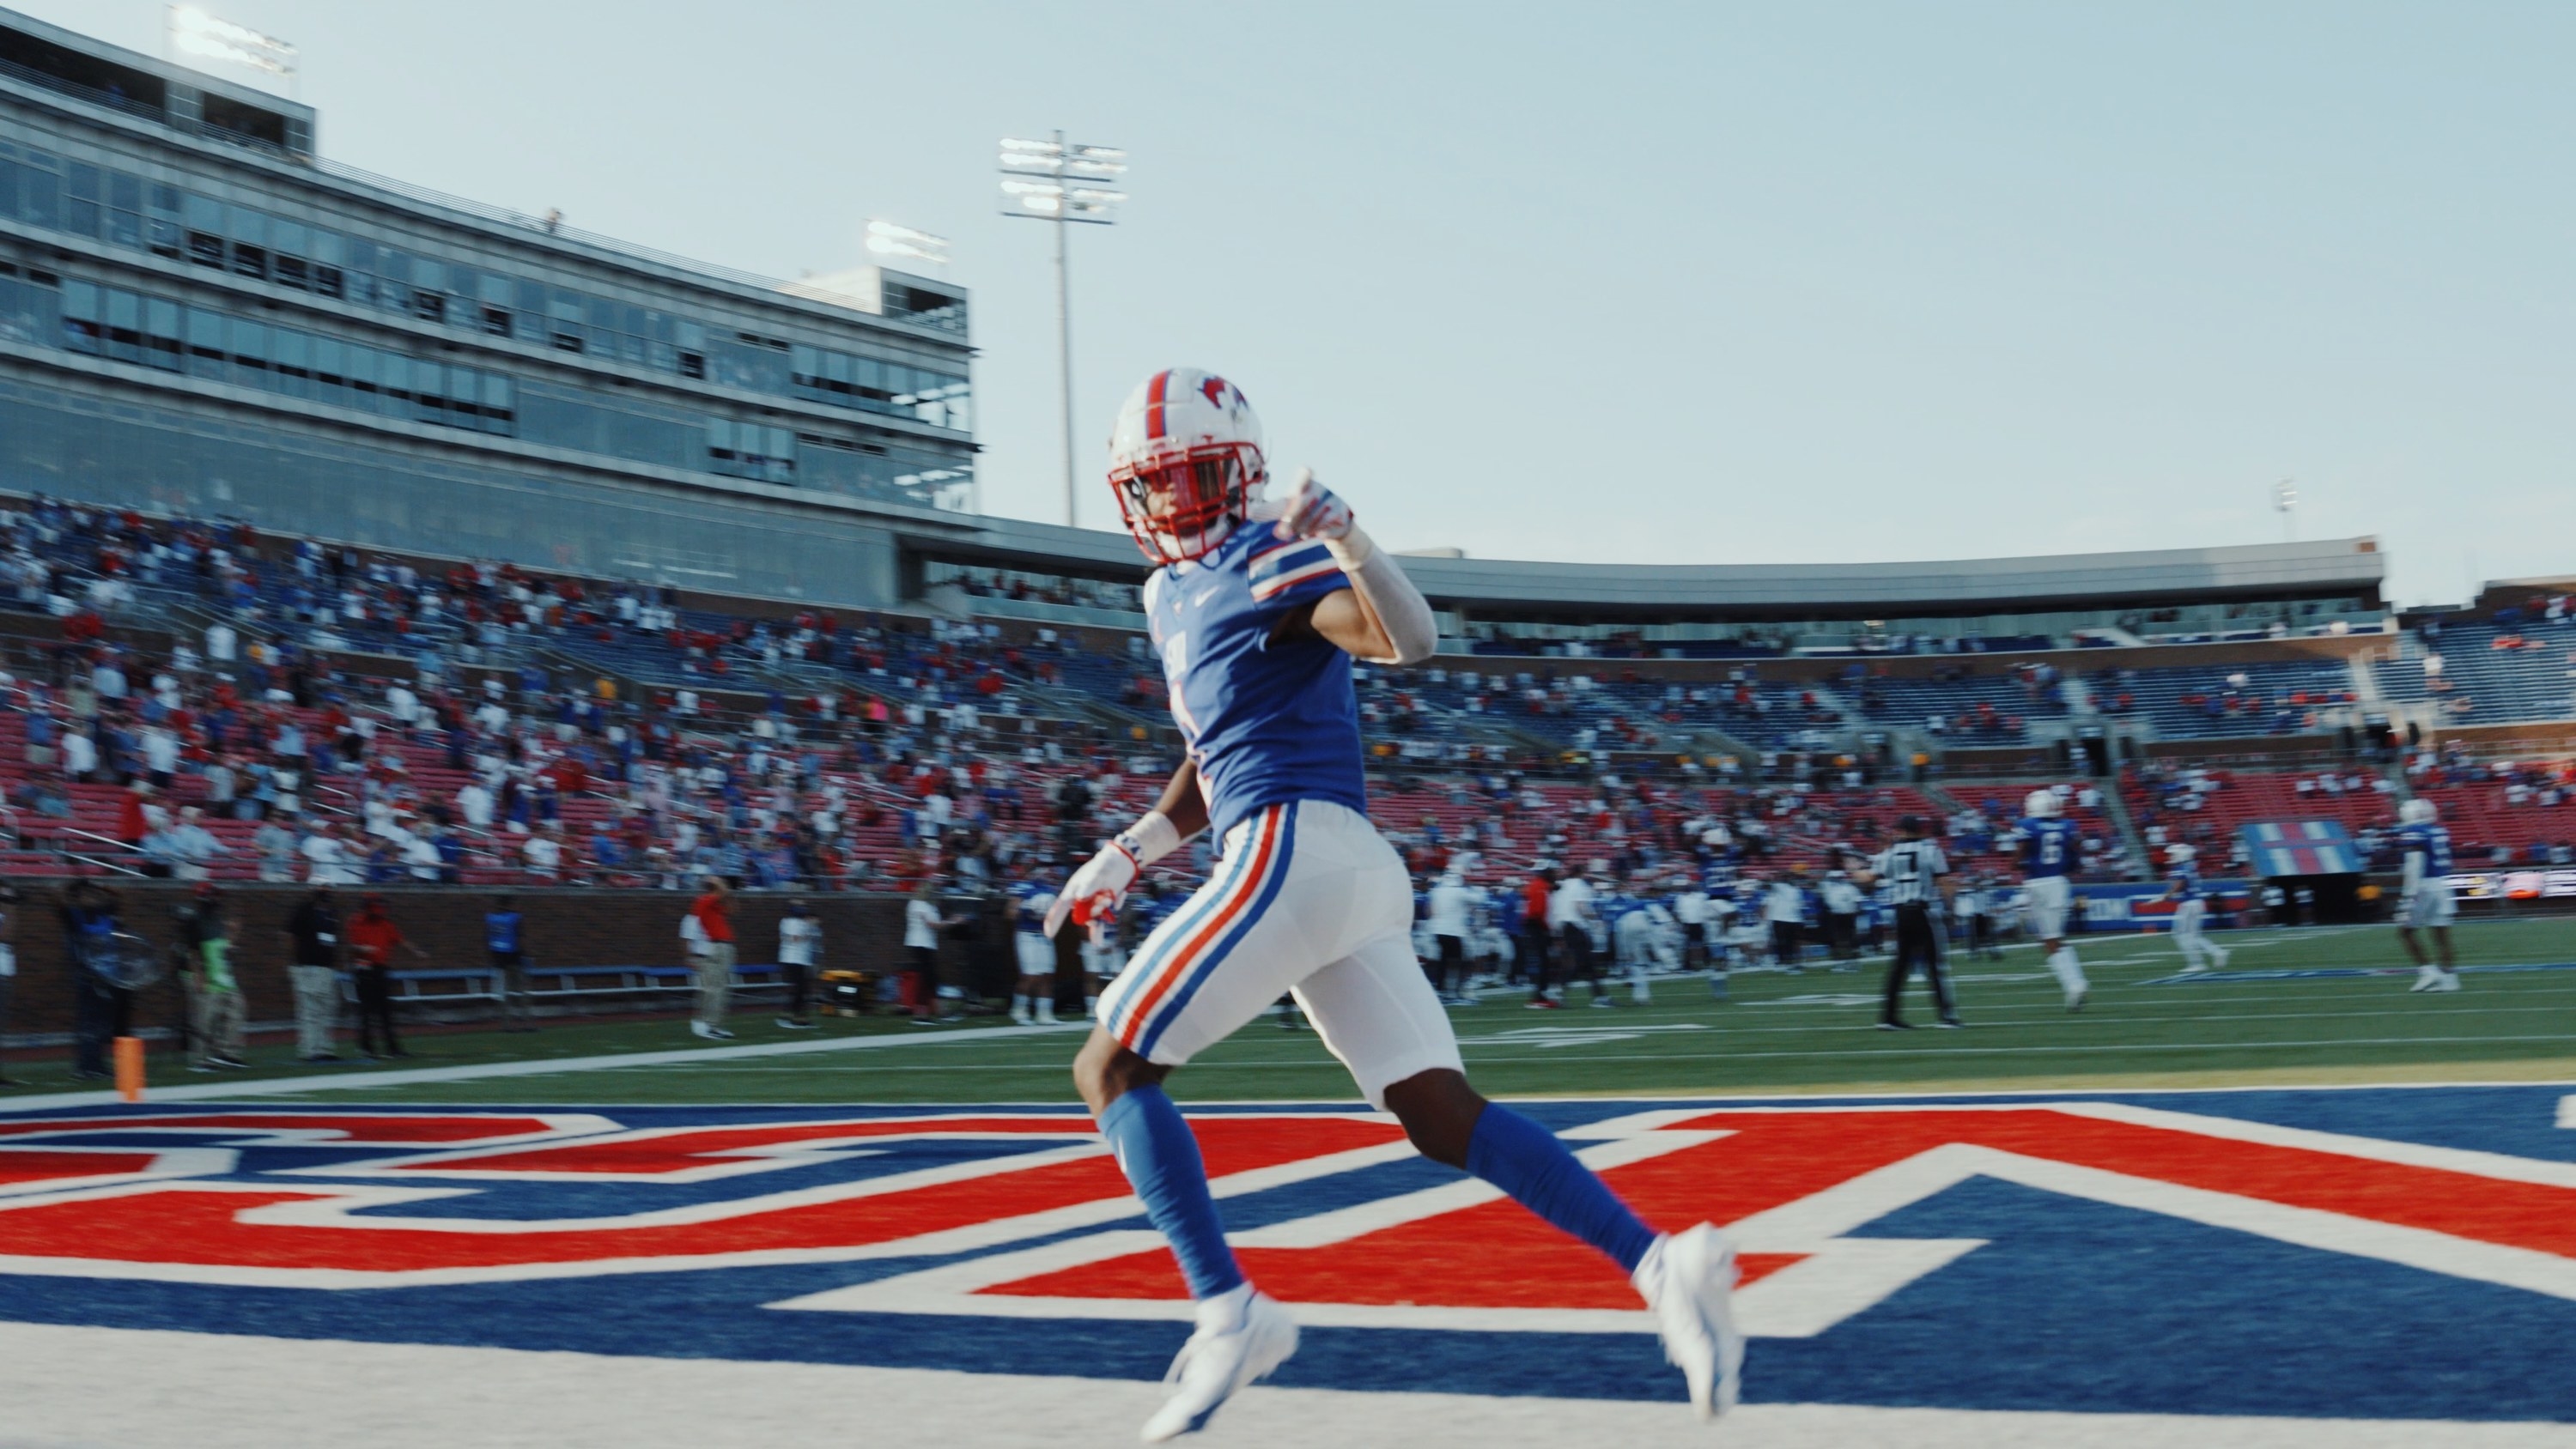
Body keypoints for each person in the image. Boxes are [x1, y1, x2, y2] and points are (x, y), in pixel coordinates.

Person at [1042, 369, 1737, 1440]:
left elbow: (1407, 640)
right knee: (1436, 1112)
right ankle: (1661, 1267)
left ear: (1239, 472)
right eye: (1154, 485)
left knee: (1111, 1064)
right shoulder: (1166, 591)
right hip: (1336, 866)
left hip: (1298, 848)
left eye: (1191, 478)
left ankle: (1231, 1312)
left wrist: (1356, 538)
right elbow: (1209, 746)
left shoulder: (1273, 549)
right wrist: (1130, 850)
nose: (1173, 505)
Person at [1863, 815, 1959, 1029]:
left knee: (1899, 966)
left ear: (1901, 830)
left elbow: (1871, 878)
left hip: (1901, 913)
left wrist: (1853, 870)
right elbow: (1944, 882)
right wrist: (1952, 909)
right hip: (1923, 911)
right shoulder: (1930, 848)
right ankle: (1947, 1017)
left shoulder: (1891, 852)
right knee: (1936, 964)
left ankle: (1888, 1017)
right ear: (1918, 829)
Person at [2017, 789, 2090, 1011]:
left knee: (2048, 940)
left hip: (2038, 884)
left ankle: (2074, 984)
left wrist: (2017, 863)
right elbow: (2077, 850)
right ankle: (2075, 982)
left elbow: (2020, 851)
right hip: (2059, 882)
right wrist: (2073, 863)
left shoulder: (2028, 825)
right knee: (2056, 938)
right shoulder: (2067, 825)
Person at [346, 894, 428, 1059]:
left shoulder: (385, 924)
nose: (379, 911)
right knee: (367, 1011)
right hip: (364, 969)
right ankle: (366, 1048)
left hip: (381, 969)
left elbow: (400, 940)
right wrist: (363, 949)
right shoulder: (356, 922)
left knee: (386, 1011)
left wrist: (416, 951)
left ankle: (393, 1048)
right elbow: (352, 946)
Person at [2393, 797, 2461, 992]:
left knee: (2404, 931)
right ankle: (2450, 980)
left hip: (2424, 885)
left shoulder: (2414, 832)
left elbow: (2415, 864)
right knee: (2441, 935)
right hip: (2443, 884)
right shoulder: (2439, 830)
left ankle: (2427, 971)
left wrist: (2409, 894)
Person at [179, 884, 246, 1071]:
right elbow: (191, 950)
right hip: (204, 974)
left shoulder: (216, 920)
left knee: (235, 1011)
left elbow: (223, 948)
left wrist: (234, 932)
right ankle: (200, 1059)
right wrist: (198, 975)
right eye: (215, 896)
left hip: (221, 975)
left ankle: (226, 1053)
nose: (218, 900)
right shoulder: (194, 920)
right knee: (204, 1019)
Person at [283, 885, 343, 1063]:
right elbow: (289, 935)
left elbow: (332, 940)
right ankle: (310, 1050)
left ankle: (324, 1048)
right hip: (306, 965)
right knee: (309, 1009)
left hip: (326, 967)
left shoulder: (331, 913)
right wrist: (293, 961)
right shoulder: (304, 910)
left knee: (328, 1008)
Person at [2163, 843, 2230, 973]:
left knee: (2180, 935)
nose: (2171, 856)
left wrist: (2167, 895)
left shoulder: (2181, 867)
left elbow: (2179, 884)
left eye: (2173, 854)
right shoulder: (2190, 866)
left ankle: (2197, 963)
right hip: (2196, 903)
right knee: (2192, 936)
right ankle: (2217, 952)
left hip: (2189, 904)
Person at [903, 878, 961, 1026]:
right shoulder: (919, 904)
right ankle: (923, 1014)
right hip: (920, 944)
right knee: (928, 979)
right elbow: (933, 924)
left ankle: (938, 1012)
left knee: (929, 979)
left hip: (925, 944)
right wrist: (953, 922)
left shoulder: (922, 905)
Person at [685, 878, 738, 1040]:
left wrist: (723, 890)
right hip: (715, 947)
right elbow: (724, 893)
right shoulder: (705, 900)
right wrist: (720, 883)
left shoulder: (712, 903)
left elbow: (733, 908)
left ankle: (711, 1024)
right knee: (714, 989)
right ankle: (709, 1025)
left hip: (722, 946)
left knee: (719, 988)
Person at [1006, 867, 1060, 1026]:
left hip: (1044, 935)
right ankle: (1018, 1010)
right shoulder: (1022, 888)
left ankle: (1044, 1013)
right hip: (1026, 934)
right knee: (1030, 976)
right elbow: (1009, 914)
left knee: (1047, 975)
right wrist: (1026, 908)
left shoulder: (1051, 891)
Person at [1426, 869, 1478, 1003]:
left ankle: (1441, 989)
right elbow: (1479, 899)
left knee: (1443, 960)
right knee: (1459, 961)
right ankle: (1454, 992)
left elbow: (1430, 910)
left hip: (1437, 930)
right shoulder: (1459, 891)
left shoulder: (1437, 891)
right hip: (1454, 931)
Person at [486, 894, 533, 1028]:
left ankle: (506, 1024)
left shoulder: (491, 918)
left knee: (502, 993)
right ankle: (527, 1022)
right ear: (510, 904)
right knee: (522, 991)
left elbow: (488, 939)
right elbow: (521, 938)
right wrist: (527, 956)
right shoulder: (515, 918)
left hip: (498, 959)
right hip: (514, 958)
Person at [776, 898, 821, 1029]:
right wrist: (809, 928)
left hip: (801, 959)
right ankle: (793, 1017)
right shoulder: (789, 922)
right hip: (792, 959)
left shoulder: (802, 922)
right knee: (800, 989)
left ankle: (798, 1017)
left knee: (803, 989)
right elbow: (795, 939)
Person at [0, 882, 19, 1086]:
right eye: (5, 899)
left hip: (5, 971)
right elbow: (6, 936)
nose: (8, 903)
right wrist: (10, 909)